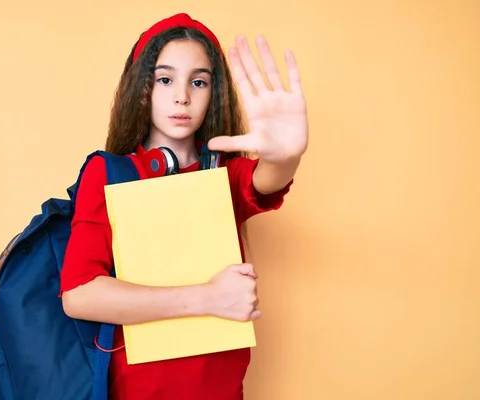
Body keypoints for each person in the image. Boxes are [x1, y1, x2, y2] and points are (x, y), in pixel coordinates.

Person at [59, 12, 308, 400]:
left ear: (214, 93)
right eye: (165, 79)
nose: (182, 96)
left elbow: (267, 178)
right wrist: (207, 297)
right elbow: (79, 294)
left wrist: (287, 155)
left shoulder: (224, 174)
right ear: (142, 88)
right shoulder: (109, 173)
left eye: (198, 82)